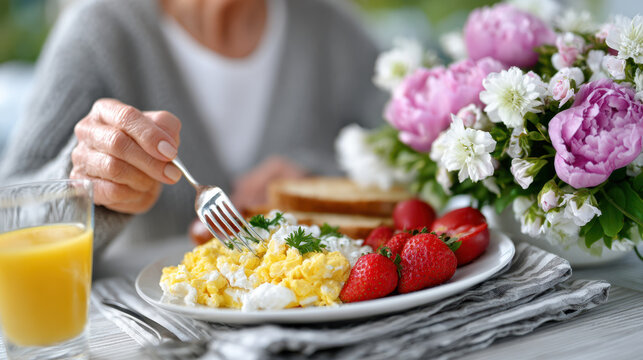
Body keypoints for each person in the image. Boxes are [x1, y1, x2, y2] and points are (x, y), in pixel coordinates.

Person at [0, 0, 385, 275]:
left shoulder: (331, 28)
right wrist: (85, 187)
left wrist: (321, 181)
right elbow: (9, 217)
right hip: (144, 336)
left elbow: (414, 160)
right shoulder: (100, 30)